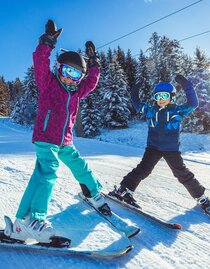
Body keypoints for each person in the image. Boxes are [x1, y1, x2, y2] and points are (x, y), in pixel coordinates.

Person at [9, 20, 111, 243]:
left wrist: (94, 63)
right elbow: (40, 62)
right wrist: (47, 43)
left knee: (79, 165)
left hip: (64, 140)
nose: (69, 78)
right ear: (58, 68)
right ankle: (35, 220)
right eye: (66, 71)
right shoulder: (48, 83)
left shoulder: (76, 92)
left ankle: (93, 192)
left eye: (75, 75)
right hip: (46, 138)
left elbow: (92, 82)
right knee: (48, 172)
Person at [110, 74, 210, 215]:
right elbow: (137, 105)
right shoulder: (151, 111)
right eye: (158, 96)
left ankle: (202, 198)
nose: (161, 99)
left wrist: (187, 86)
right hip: (153, 148)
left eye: (164, 95)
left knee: (182, 173)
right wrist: (134, 91)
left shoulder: (178, 110)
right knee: (143, 169)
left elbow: (194, 104)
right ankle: (124, 189)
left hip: (171, 150)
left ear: (172, 97)